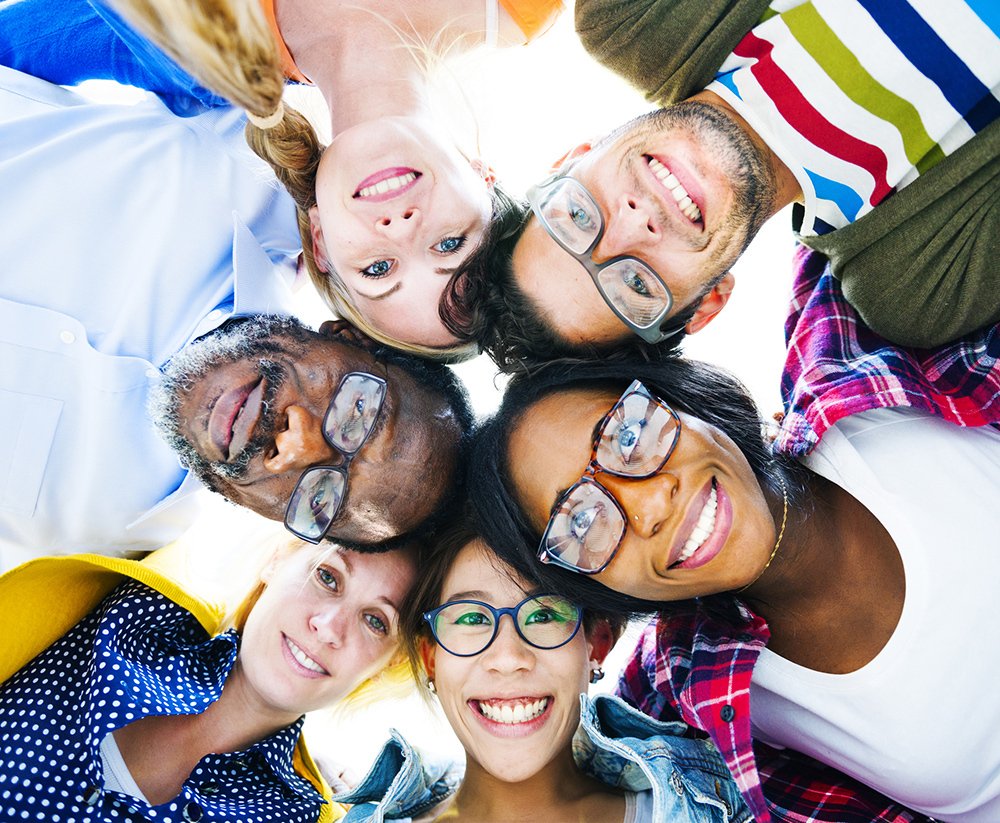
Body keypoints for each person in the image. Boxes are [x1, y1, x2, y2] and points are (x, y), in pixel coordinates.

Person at [467, 356, 1000, 820]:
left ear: (680, 398)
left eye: (628, 437)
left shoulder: (871, 385)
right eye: (581, 524)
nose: (650, 508)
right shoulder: (698, 701)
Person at [0, 64, 472, 565]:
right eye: (358, 411)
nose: (296, 447)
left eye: (320, 501)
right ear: (353, 338)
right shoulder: (259, 165)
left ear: (255, 511)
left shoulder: (107, 527)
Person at [0, 0, 561, 359]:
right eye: (448, 244)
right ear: (484, 177)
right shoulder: (524, 6)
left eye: (378, 268)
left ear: (320, 241)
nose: (400, 228)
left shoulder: (183, 56)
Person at [457, 0, 998, 364]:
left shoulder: (629, 16)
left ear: (572, 158)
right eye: (636, 287)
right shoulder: (919, 285)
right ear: (709, 302)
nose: (632, 224)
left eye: (575, 217)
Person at [334, 522, 751, 822]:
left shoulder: (714, 810)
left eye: (545, 614)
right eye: (470, 620)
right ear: (430, 659)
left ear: (597, 644)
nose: (508, 655)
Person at [0, 537, 419, 822]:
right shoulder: (133, 612)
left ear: (388, 663)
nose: (329, 628)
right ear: (280, 558)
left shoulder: (296, 812)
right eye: (328, 577)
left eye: (375, 622)